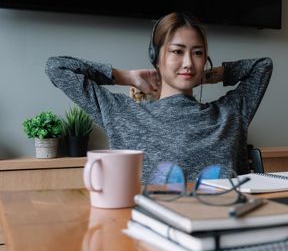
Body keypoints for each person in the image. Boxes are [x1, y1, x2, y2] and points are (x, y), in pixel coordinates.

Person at [46, 12, 273, 182]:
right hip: (153, 233)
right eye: (177, 51)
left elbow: (262, 67)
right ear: (156, 58)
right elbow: (57, 68)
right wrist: (125, 76)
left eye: (197, 53)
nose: (188, 62)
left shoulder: (229, 114)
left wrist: (205, 76)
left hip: (221, 228)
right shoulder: (124, 115)